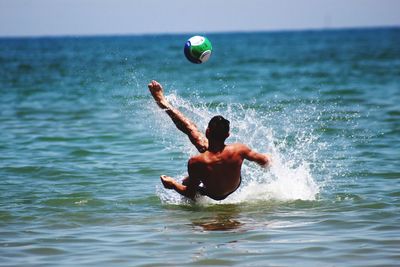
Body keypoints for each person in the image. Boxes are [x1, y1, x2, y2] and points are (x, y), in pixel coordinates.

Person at [148, 80, 271, 201]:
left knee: (185, 181)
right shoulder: (240, 149)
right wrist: (270, 161)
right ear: (227, 135)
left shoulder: (196, 162)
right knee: (193, 134)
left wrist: (172, 184)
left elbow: (190, 193)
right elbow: (264, 161)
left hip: (212, 194)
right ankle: (162, 102)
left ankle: (162, 101)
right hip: (234, 186)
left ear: (207, 132)